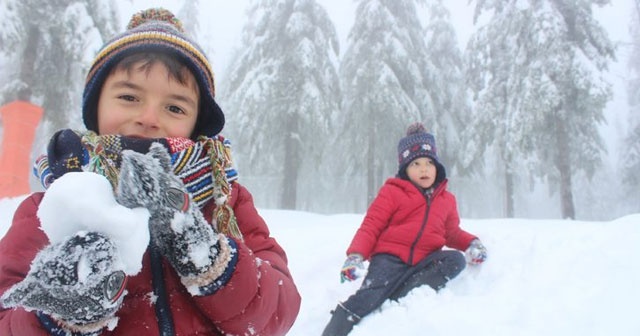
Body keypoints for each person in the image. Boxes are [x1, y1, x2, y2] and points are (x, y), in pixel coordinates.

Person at [0, 8, 300, 336]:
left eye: (174, 107)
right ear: (95, 108)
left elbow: (277, 311)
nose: (149, 117)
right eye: (129, 97)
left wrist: (208, 256)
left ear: (196, 124)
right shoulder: (57, 205)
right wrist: (58, 315)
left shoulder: (223, 200)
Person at [321, 122, 488, 336]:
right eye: (416, 164)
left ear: (437, 166)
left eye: (429, 162)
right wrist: (355, 256)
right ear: (405, 169)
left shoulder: (447, 200)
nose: (424, 169)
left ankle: (402, 295)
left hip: (424, 262)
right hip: (389, 260)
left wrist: (472, 243)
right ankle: (336, 328)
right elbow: (371, 226)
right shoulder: (392, 192)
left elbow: (451, 233)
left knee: (455, 260)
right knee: (369, 296)